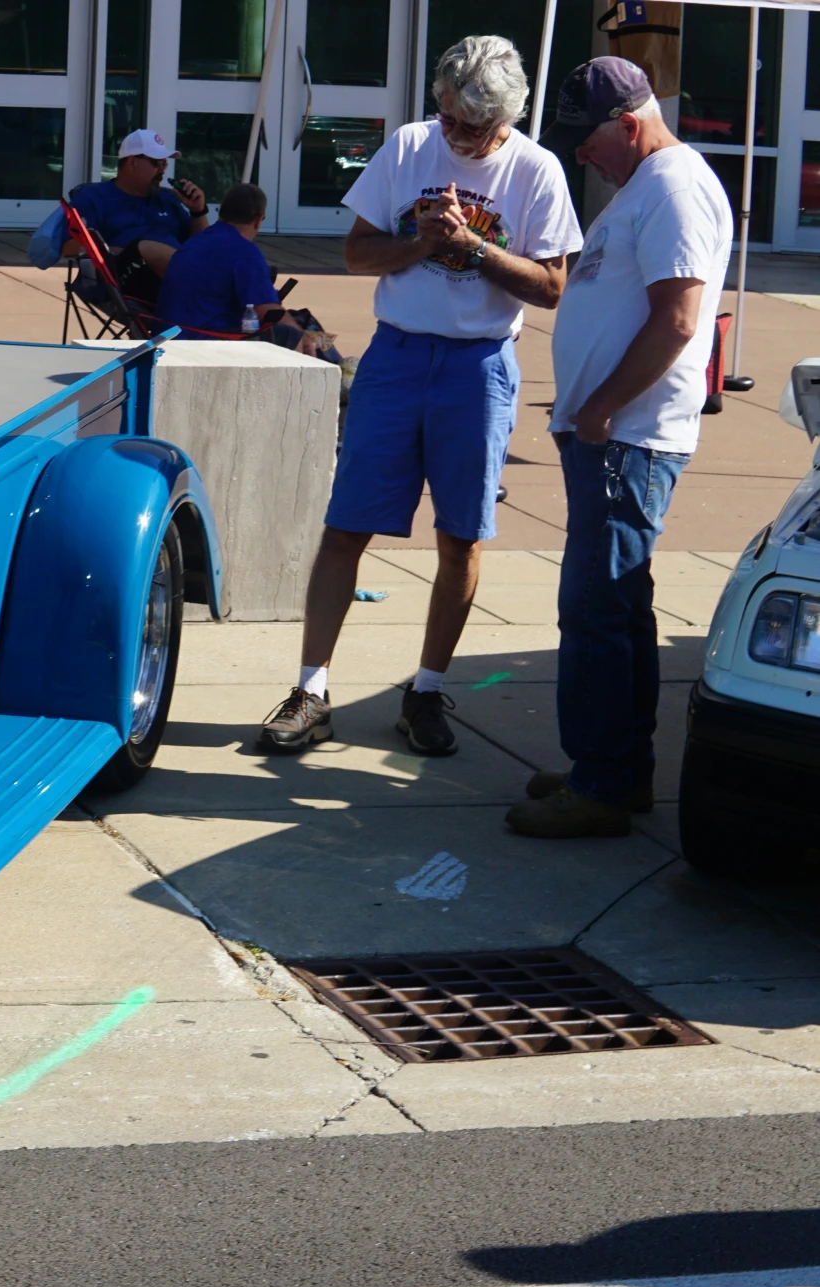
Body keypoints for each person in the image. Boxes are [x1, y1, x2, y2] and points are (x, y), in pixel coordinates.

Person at [257, 35, 579, 760]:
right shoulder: (409, 147)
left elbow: (554, 286)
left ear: (509, 115)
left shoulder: (536, 170)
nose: (456, 136)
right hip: (398, 355)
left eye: (472, 126)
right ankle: (311, 690)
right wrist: (418, 246)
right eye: (447, 117)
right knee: (347, 524)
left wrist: (474, 251)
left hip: (480, 366)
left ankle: (427, 691)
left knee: (461, 536)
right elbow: (356, 251)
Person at [504, 58, 731, 838]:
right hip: (613, 436)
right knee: (618, 605)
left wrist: (599, 409)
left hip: (628, 437)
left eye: (586, 140)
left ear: (628, 125)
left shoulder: (672, 187)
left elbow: (677, 319)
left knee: (596, 608)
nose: (578, 155)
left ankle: (603, 781)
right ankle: (615, 769)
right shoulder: (648, 187)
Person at [68, 129, 210, 285]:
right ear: (132, 162)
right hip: (125, 280)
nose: (162, 171)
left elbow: (201, 246)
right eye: (156, 163)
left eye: (165, 164)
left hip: (176, 282)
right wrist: (126, 253)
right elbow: (68, 247)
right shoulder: (94, 197)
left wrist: (198, 211)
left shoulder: (168, 198)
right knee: (147, 248)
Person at [157, 182, 281, 337]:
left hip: (167, 337)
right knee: (291, 333)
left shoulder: (193, 243)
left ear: (221, 212)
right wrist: (302, 334)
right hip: (204, 340)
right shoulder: (243, 251)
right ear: (258, 220)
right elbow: (269, 312)